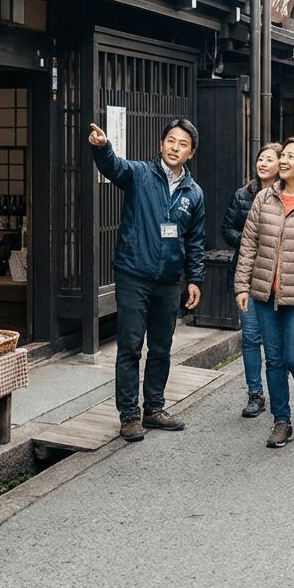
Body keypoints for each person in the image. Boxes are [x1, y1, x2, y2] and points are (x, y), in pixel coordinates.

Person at [88, 118, 205, 443]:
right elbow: (114, 167)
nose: (175, 147)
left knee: (161, 348)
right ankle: (129, 416)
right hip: (133, 275)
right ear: (161, 144)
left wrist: (194, 278)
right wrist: (103, 148)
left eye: (182, 144)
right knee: (130, 347)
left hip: (169, 281)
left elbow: (195, 238)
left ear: (190, 152)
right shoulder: (139, 174)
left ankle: (154, 408)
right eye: (170, 140)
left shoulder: (193, 193)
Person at [234, 137, 294, 448]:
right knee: (274, 360)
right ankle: (281, 420)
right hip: (264, 293)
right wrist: (242, 285)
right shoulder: (264, 198)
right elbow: (249, 245)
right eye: (284, 156)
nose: (284, 161)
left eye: (291, 156)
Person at [221, 142, 282, 418]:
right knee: (250, 337)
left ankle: (278, 390)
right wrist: (248, 242)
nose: (263, 164)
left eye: (269, 159)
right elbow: (227, 228)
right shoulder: (243, 195)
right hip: (246, 273)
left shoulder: (286, 195)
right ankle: (255, 393)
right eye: (260, 159)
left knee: (274, 341)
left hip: (276, 278)